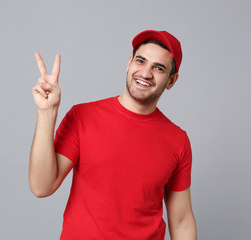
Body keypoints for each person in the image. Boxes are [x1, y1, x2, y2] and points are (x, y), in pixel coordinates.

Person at [29, 30, 197, 240]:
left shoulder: (178, 140)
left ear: (172, 81)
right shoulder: (83, 117)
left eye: (159, 68)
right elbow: (41, 186)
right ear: (129, 64)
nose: (145, 73)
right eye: (141, 61)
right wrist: (46, 112)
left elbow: (181, 221)